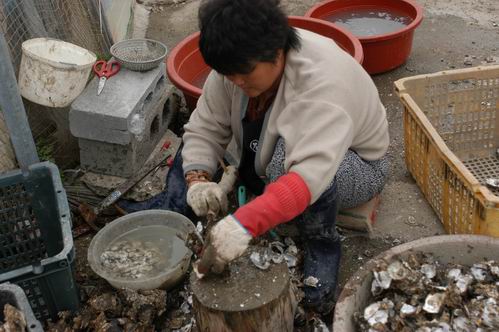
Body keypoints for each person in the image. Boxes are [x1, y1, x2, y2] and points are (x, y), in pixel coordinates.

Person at [180, 0, 390, 313]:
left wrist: (244, 224)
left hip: (357, 165)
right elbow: (205, 126)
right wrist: (197, 180)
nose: (235, 81)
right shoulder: (238, 66)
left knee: (283, 164)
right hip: (280, 149)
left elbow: (307, 176)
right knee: (195, 158)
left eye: (244, 73)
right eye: (227, 73)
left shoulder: (323, 84)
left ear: (277, 52)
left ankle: (322, 245)